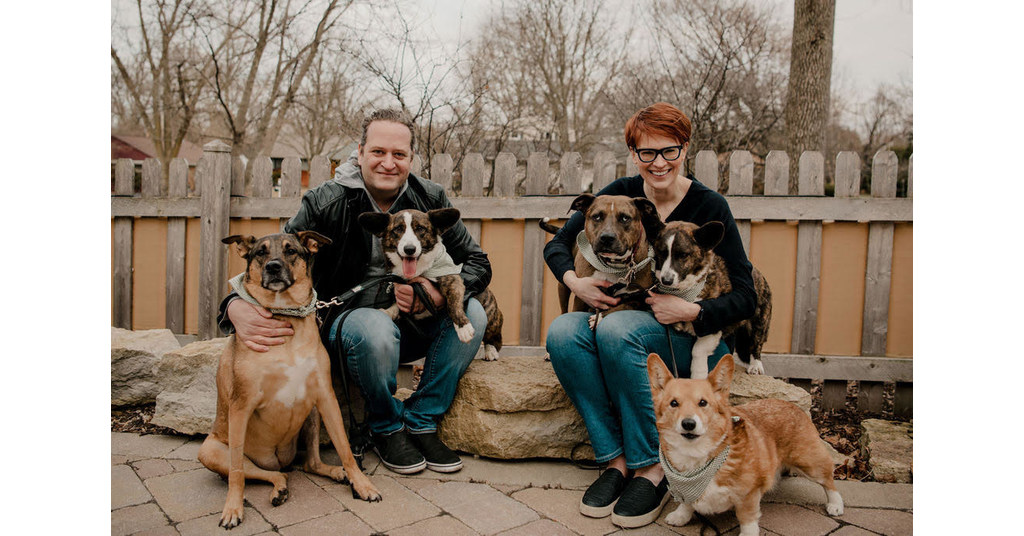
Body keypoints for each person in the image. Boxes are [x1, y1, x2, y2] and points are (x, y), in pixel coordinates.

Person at [217, 108, 492, 475]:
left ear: (411, 158)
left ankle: (421, 419)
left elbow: (478, 263)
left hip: (411, 328)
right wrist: (233, 306)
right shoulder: (325, 200)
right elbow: (276, 253)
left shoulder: (430, 197)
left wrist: (433, 293)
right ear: (360, 152)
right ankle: (386, 426)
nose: (388, 163)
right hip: (350, 332)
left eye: (399, 154)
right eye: (378, 152)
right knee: (370, 327)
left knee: (474, 313)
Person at [543, 102, 757, 528]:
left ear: (685, 149)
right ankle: (615, 461)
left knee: (617, 328)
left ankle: (652, 469)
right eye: (647, 153)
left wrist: (693, 309)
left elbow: (747, 296)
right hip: (632, 324)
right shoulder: (620, 193)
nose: (658, 162)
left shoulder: (709, 206)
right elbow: (558, 245)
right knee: (564, 333)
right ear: (633, 153)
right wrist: (576, 282)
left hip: (691, 340)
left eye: (669, 151)